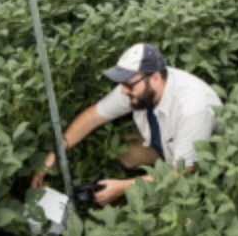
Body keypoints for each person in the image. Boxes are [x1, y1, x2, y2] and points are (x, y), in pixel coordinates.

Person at [30, 43, 221, 205]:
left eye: (128, 85)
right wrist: (54, 154)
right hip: (167, 143)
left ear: (155, 78)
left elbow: (182, 171)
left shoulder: (193, 109)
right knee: (124, 152)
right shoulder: (139, 85)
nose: (122, 91)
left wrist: (122, 187)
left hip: (198, 164)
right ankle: (153, 166)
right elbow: (92, 117)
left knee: (172, 192)